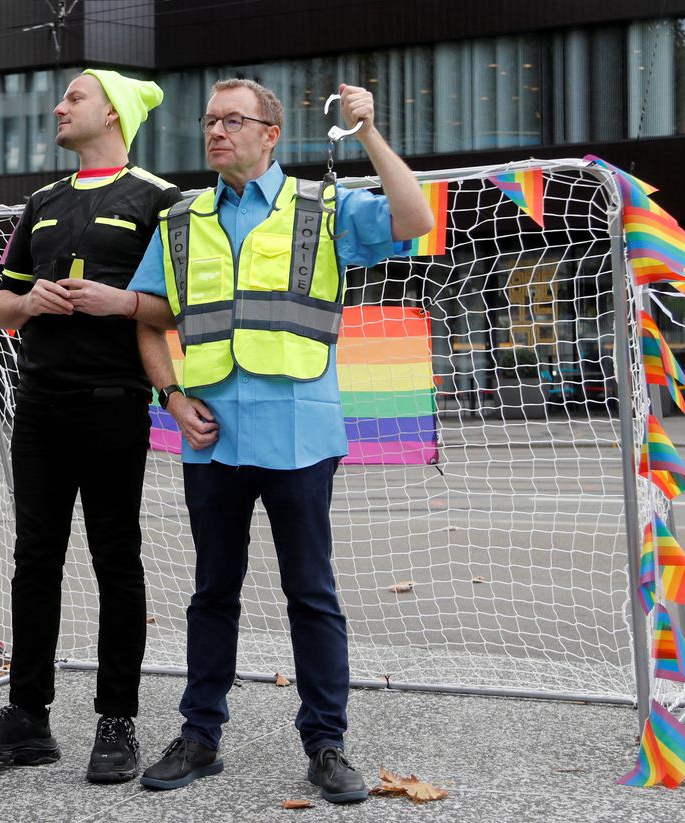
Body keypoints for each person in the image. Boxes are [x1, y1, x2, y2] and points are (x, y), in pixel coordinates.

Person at [128, 78, 433, 804]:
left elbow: (415, 218)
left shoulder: (323, 206)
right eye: (209, 121)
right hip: (210, 437)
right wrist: (171, 398)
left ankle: (326, 744)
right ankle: (199, 737)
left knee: (311, 593)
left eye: (233, 120)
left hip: (301, 434)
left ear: (271, 134)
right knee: (212, 592)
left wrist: (367, 133)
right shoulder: (180, 219)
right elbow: (148, 319)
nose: (216, 131)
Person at [0, 69, 181, 784]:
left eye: (74, 97)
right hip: (39, 406)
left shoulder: (160, 199)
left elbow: (178, 305)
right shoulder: (42, 202)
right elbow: (2, 306)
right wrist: (31, 304)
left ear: (112, 113)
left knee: (116, 560)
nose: (59, 106)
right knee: (34, 559)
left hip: (114, 402)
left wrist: (118, 301)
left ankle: (117, 722)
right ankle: (28, 717)